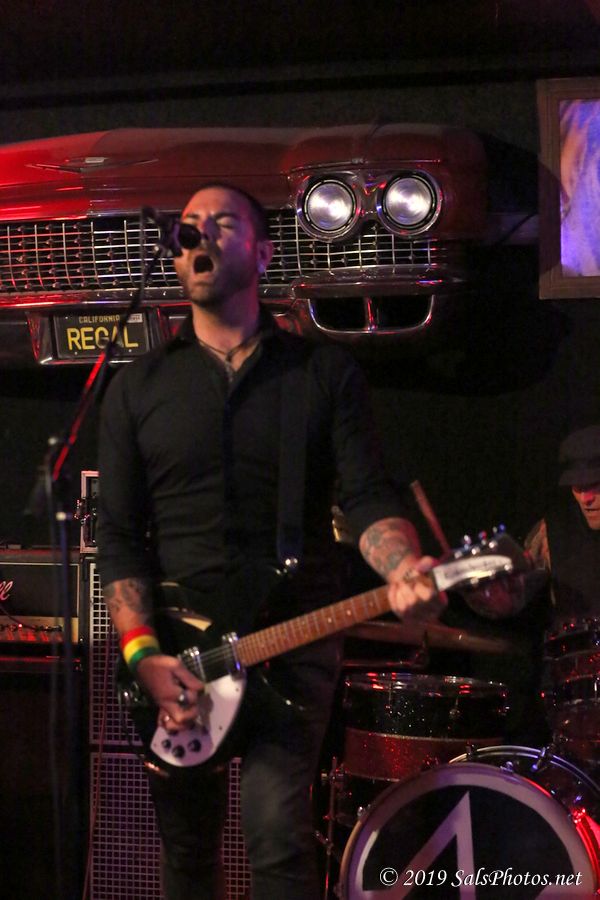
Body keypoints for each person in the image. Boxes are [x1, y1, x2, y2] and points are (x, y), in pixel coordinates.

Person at [96, 183, 442, 900]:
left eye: (223, 223)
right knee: (187, 852)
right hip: (179, 649)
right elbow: (121, 537)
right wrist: (143, 655)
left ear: (264, 253)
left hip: (293, 637)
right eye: (189, 226)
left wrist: (405, 566)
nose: (201, 235)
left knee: (277, 835)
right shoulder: (138, 386)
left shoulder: (322, 373)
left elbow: (367, 496)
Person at [525, 424, 600, 626]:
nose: (585, 499)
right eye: (578, 487)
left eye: (595, 484)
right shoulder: (551, 533)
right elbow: (518, 600)